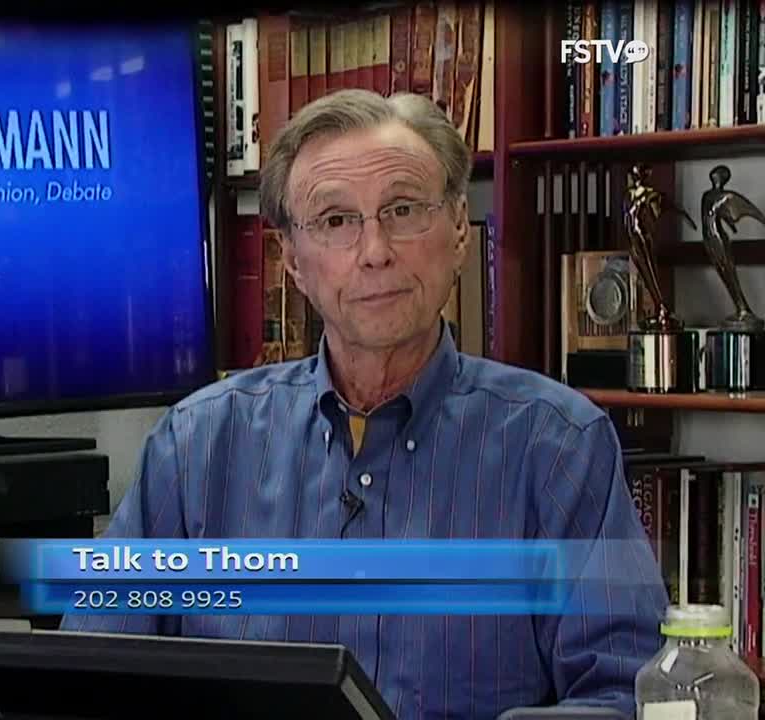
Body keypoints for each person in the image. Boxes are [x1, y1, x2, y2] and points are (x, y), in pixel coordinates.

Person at [60, 89, 667, 720]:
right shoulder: (193, 447)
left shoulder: (559, 445)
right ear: (292, 260)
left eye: (403, 210)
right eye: (336, 221)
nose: (375, 250)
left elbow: (628, 694)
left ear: (459, 230)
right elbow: (93, 679)